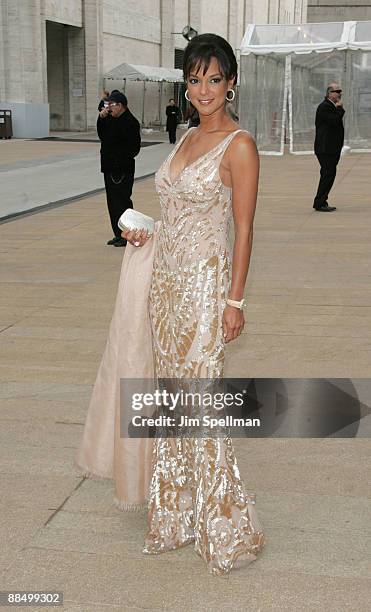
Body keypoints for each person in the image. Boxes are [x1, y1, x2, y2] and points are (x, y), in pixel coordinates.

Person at [121, 33, 265, 575]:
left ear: (231, 83)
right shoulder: (183, 138)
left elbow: (244, 229)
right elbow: (178, 217)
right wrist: (146, 233)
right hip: (165, 288)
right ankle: (178, 514)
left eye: (214, 79)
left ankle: (226, 524)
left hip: (206, 292)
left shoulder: (240, 145)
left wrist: (235, 300)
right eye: (194, 79)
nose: (203, 89)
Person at [97, 91, 141, 246]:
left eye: (112, 105)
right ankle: (118, 233)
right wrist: (101, 119)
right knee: (112, 202)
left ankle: (126, 234)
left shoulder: (130, 122)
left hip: (122, 169)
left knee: (122, 201)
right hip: (109, 167)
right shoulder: (110, 119)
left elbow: (134, 148)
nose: (109, 109)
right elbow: (102, 136)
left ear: (120, 105)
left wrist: (118, 160)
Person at [313, 83, 345, 212]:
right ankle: (320, 202)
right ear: (330, 93)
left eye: (340, 91)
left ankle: (321, 200)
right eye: (337, 91)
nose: (339, 94)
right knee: (328, 174)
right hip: (326, 149)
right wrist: (340, 109)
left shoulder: (330, 106)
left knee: (328, 174)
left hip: (331, 148)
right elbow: (334, 121)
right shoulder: (325, 107)